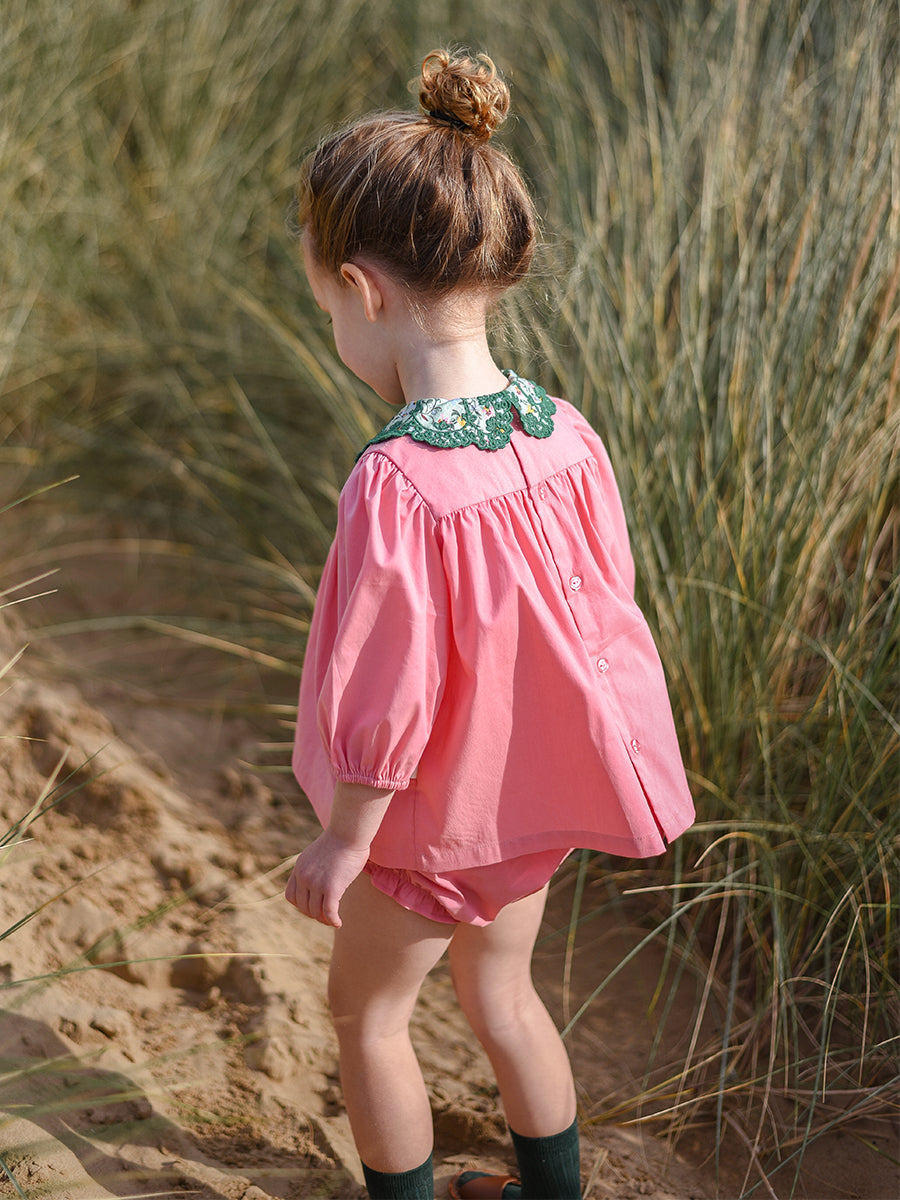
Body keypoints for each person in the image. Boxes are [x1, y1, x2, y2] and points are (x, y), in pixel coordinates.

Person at [284, 49, 695, 1200]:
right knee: (505, 997)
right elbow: (603, 611)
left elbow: (390, 686)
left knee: (368, 1017)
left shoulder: (399, 483)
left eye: (327, 310)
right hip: (527, 811)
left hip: (422, 826)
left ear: (361, 290)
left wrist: (346, 840)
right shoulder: (565, 432)